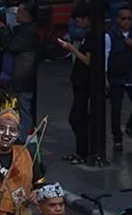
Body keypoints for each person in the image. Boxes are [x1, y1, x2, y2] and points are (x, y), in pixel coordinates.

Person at [105, 5, 132, 152]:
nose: (126, 22)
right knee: (116, 109)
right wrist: (105, 78)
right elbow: (105, 58)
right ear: (118, 19)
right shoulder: (110, 35)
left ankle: (131, 128)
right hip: (116, 77)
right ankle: (117, 138)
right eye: (123, 19)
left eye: (129, 19)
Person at [58, 4, 94, 165]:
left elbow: (88, 60)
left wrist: (71, 49)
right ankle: (81, 151)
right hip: (79, 81)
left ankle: (84, 151)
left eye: (79, 20)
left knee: (77, 118)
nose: (77, 23)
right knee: (77, 118)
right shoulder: (87, 34)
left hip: (84, 83)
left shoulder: (93, 36)